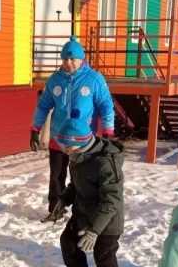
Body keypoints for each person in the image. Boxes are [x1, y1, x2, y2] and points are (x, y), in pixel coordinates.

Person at [48, 113, 125, 267]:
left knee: (104, 258)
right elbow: (76, 184)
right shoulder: (77, 156)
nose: (64, 150)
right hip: (83, 213)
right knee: (68, 243)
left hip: (106, 221)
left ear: (80, 142)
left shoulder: (105, 163)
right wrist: (63, 200)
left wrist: (94, 231)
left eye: (67, 146)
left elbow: (112, 200)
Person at [30, 36, 115, 222]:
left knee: (82, 178)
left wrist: (108, 131)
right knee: (56, 176)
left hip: (83, 141)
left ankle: (82, 211)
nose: (68, 63)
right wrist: (35, 128)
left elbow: (106, 105)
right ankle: (55, 210)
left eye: (72, 59)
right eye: (65, 59)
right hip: (58, 138)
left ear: (81, 58)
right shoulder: (55, 80)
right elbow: (43, 106)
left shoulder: (94, 79)